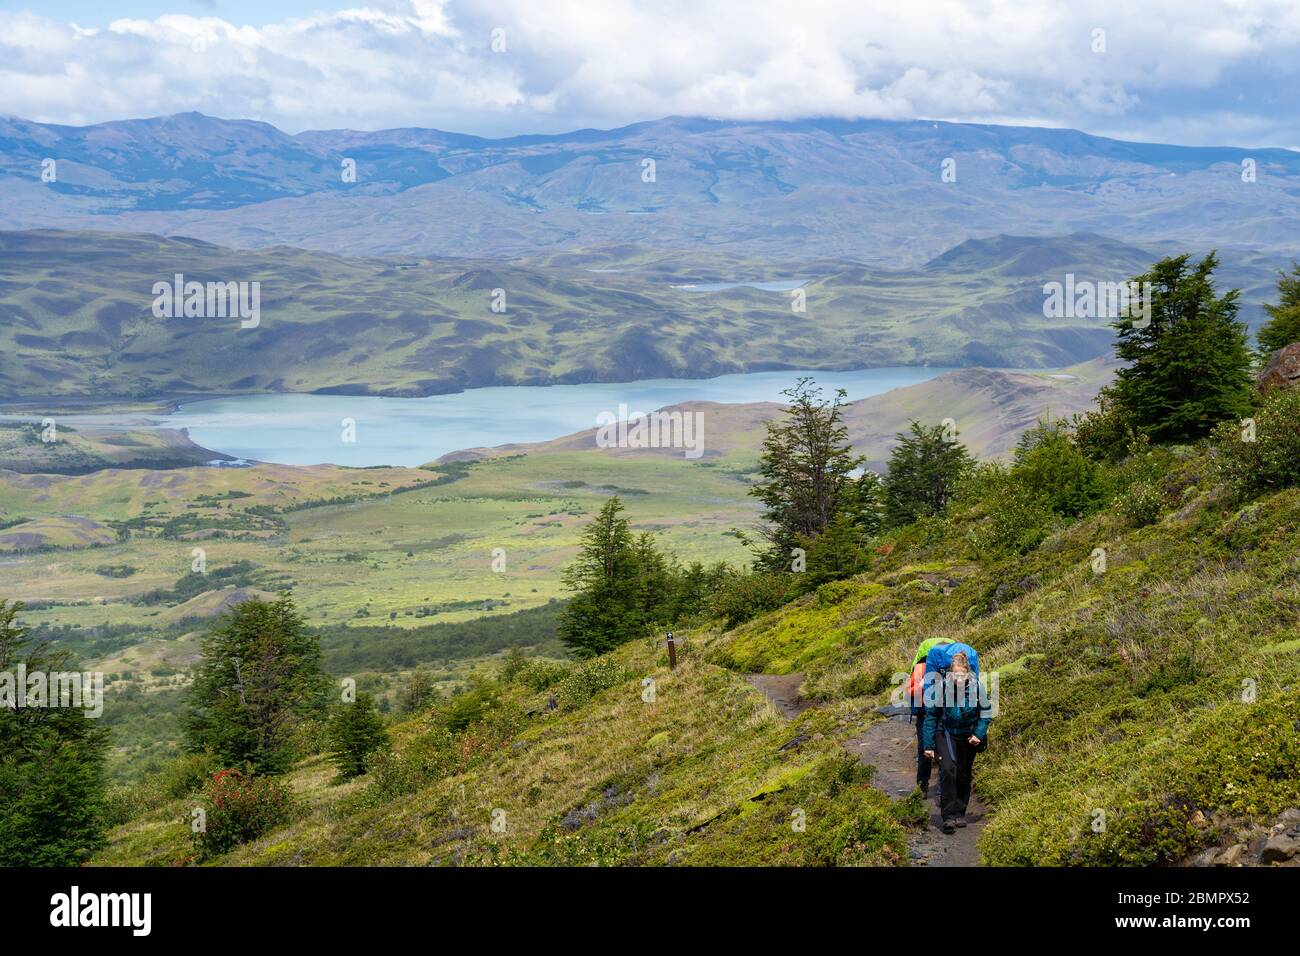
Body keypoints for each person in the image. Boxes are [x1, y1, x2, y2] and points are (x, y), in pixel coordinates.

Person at [921, 651, 992, 834]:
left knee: (963, 773)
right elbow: (931, 716)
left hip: (968, 735)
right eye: (955, 675)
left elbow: (986, 712)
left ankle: (960, 812)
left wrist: (979, 734)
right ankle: (948, 816)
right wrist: (928, 745)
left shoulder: (978, 688)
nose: (959, 679)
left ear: (968, 673)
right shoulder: (941, 687)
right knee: (948, 769)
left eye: (962, 675)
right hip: (945, 732)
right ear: (949, 673)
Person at [905, 637, 952, 797]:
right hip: (925, 713)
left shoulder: (951, 667)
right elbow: (909, 690)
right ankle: (922, 785)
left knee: (942, 752)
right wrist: (921, 686)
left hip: (943, 714)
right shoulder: (921, 667)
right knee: (924, 749)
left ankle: (942, 788)